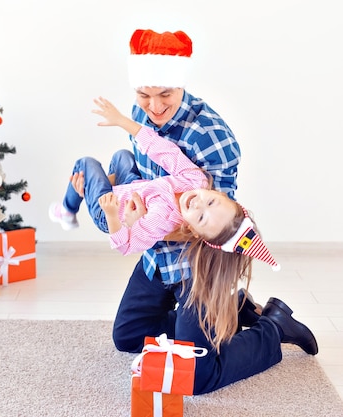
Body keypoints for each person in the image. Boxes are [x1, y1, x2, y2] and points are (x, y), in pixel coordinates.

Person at [54, 28, 318, 395]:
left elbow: (215, 225)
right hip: (158, 255)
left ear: (180, 85)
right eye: (144, 95)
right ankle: (233, 310)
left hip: (198, 264)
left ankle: (273, 327)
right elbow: (141, 172)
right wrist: (108, 187)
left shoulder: (212, 139)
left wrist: (136, 221)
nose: (155, 106)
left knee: (196, 375)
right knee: (129, 336)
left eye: (166, 94)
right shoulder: (140, 113)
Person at [50, 96, 279, 352]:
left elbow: (125, 245)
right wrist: (122, 122)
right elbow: (160, 149)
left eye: (201, 217)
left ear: (193, 230)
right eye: (211, 202)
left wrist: (116, 216)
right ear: (217, 193)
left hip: (111, 212)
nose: (197, 204)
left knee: (86, 164)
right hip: (134, 188)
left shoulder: (162, 219)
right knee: (122, 156)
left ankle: (67, 210)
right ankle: (233, 311)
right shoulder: (195, 180)